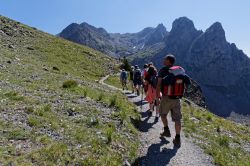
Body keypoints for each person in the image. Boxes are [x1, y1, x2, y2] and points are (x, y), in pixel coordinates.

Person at [156, 54, 191, 147]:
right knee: (177, 119)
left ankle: (166, 130)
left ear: (168, 61)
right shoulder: (179, 70)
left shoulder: (163, 70)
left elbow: (159, 84)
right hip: (177, 98)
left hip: (166, 98)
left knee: (163, 114)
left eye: (165, 59)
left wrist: (157, 96)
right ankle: (178, 138)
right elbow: (187, 83)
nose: (163, 60)